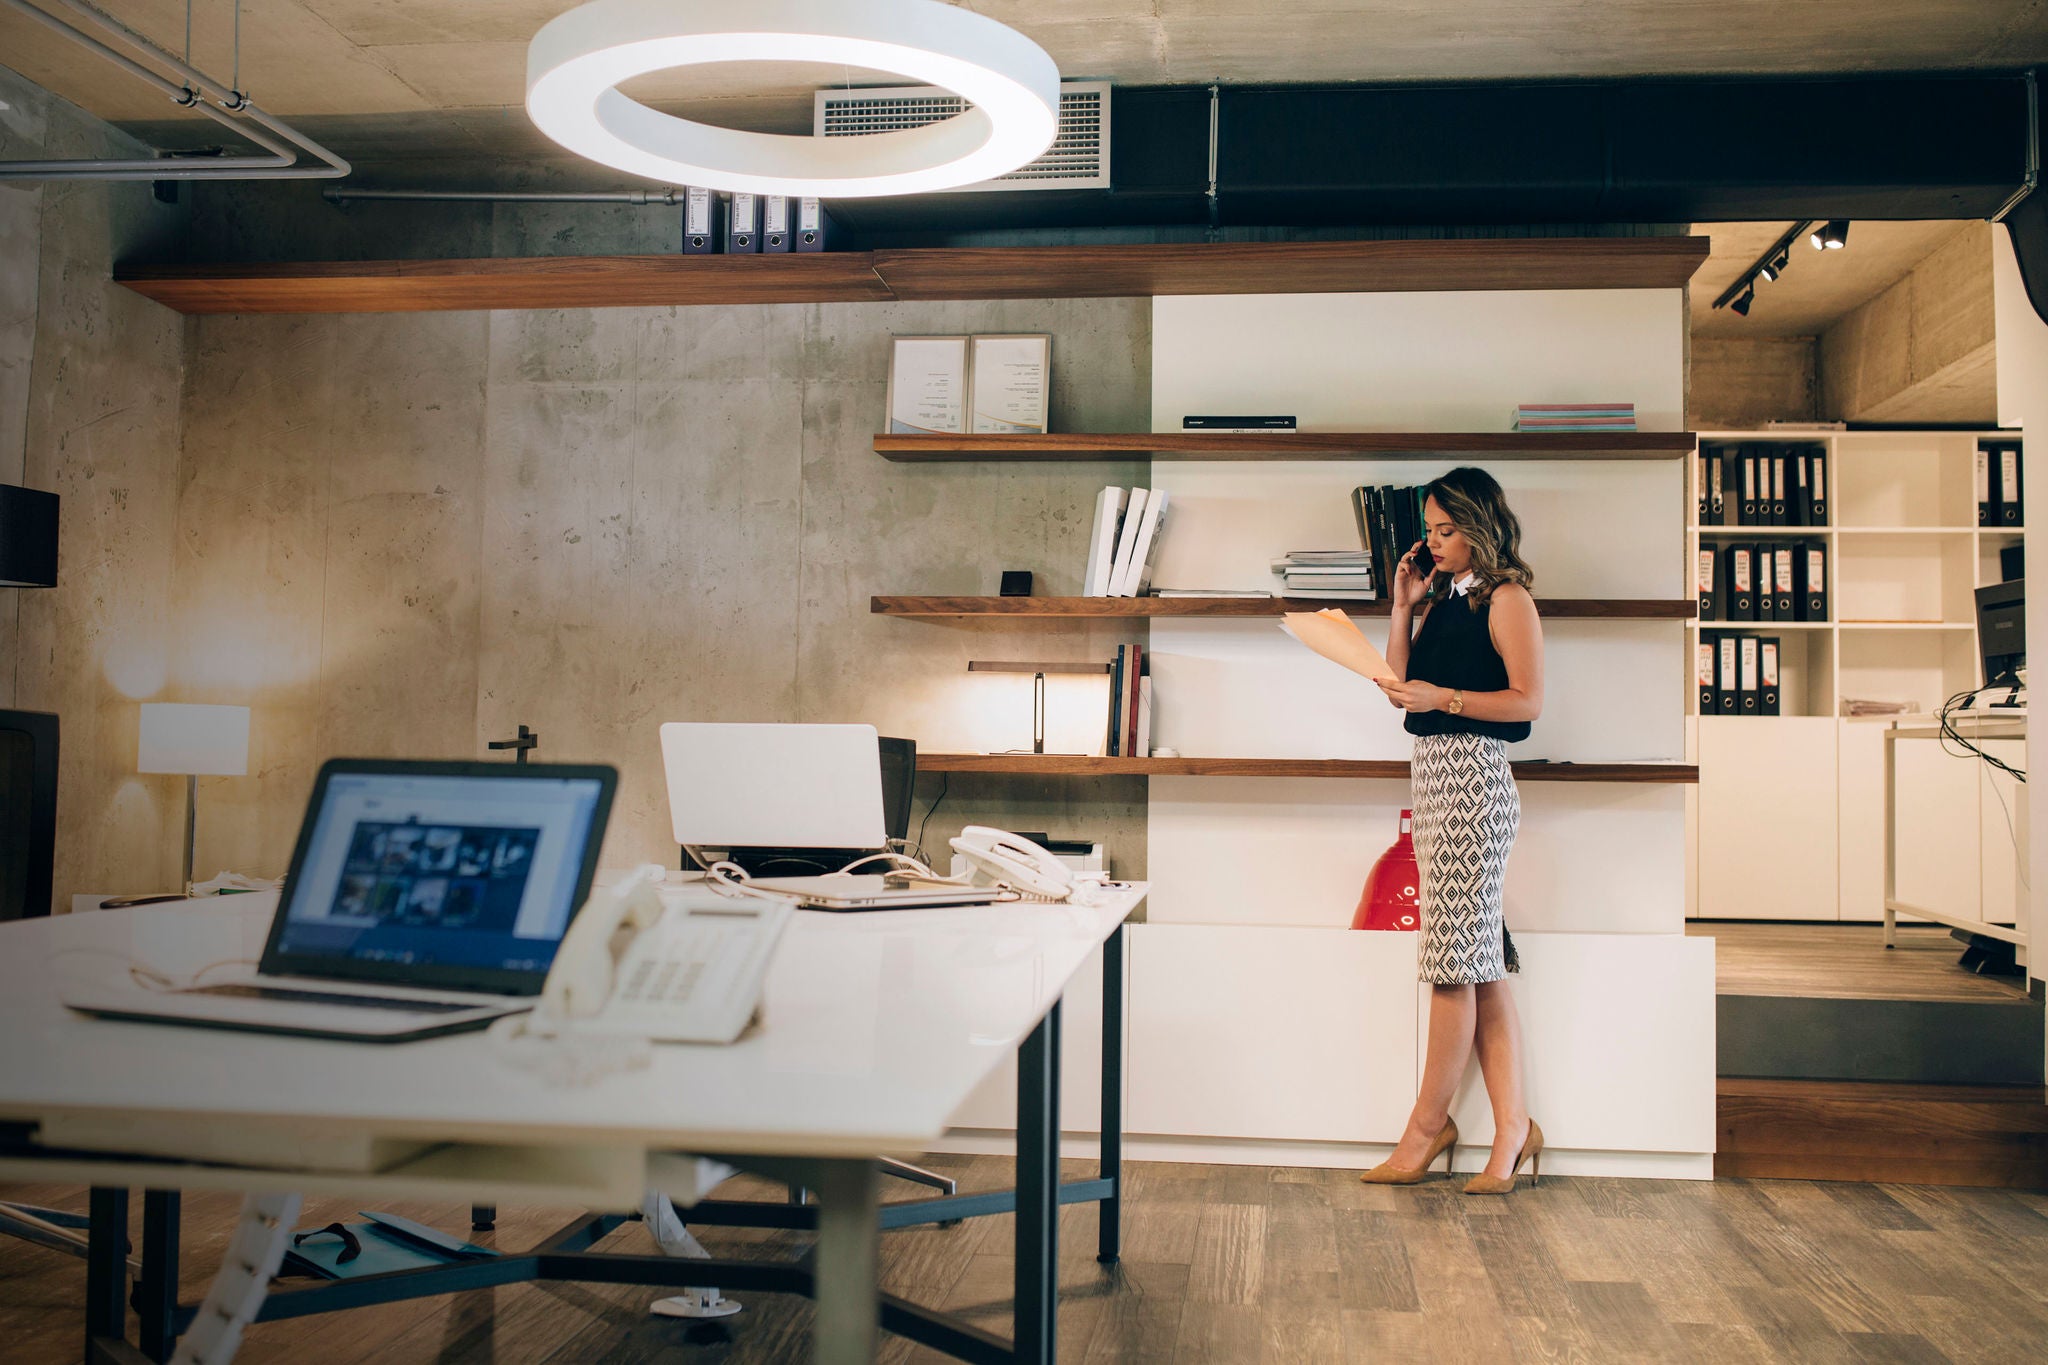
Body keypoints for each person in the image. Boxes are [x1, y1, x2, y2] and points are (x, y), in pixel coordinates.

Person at [1363, 467, 1546, 1195]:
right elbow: (1399, 688)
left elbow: (1528, 700)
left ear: (1480, 525)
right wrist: (1402, 606)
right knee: (1480, 970)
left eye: (1446, 529)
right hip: (1436, 784)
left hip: (1474, 787)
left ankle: (1426, 1127)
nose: (1433, 542)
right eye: (1429, 530)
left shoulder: (1507, 598)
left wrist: (1452, 698)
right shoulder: (1441, 597)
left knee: (1451, 968)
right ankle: (1513, 1129)